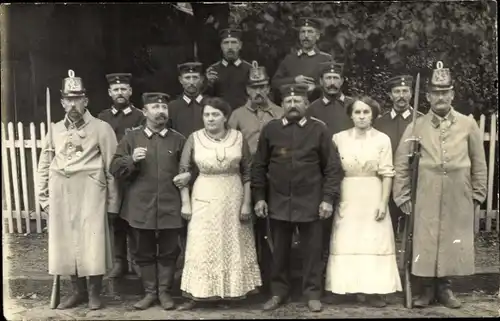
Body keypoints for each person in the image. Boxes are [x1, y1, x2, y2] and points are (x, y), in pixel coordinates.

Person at [393, 61, 487, 309]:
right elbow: (402, 162)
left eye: (445, 92)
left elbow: (479, 162)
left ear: (453, 94)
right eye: (436, 93)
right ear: (428, 96)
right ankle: (425, 290)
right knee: (426, 239)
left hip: (459, 192)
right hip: (426, 192)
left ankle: (445, 289)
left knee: (451, 241)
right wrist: (402, 196)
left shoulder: (468, 124)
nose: (441, 97)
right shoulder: (417, 125)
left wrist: (477, 194)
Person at [252, 84, 344, 312]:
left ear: (306, 104)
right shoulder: (271, 130)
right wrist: (260, 197)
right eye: (288, 102)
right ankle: (278, 292)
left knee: (312, 251)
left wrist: (327, 199)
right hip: (278, 201)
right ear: (282, 105)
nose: (293, 106)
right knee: (278, 251)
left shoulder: (319, 130)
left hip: (310, 201)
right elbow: (259, 166)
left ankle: (312, 293)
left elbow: (332, 168)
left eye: (298, 101)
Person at [37, 70, 120, 310]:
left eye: (78, 99)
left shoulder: (102, 128)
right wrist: (44, 198)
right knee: (66, 244)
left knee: (91, 243)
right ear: (62, 102)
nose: (73, 104)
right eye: (68, 99)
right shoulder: (54, 130)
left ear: (86, 101)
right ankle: (77, 292)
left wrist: (113, 203)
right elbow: (44, 165)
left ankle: (95, 293)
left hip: (91, 194)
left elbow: (111, 168)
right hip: (61, 194)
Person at [176, 97, 262, 310]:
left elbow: (247, 171)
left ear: (225, 117)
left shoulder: (238, 137)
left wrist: (246, 203)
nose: (210, 119)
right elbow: (183, 172)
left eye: (215, 114)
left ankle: (232, 292)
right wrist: (185, 203)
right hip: (204, 193)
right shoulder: (194, 138)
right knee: (203, 242)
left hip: (233, 193)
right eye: (206, 115)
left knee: (233, 240)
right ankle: (201, 293)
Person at [324, 96, 402, 307]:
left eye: (366, 112)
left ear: (373, 115)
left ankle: (374, 291)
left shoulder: (382, 139)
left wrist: (383, 203)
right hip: (347, 192)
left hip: (373, 192)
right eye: (357, 112)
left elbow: (387, 173)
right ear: (350, 115)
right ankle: (342, 289)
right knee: (346, 239)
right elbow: (332, 170)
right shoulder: (338, 138)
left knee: (372, 239)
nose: (361, 116)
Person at [110, 92, 186, 310]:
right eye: (155, 107)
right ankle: (149, 293)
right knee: (143, 251)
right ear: (144, 112)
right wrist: (131, 160)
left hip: (170, 206)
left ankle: (164, 293)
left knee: (169, 251)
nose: (160, 111)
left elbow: (190, 169)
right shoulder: (131, 138)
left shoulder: (178, 139)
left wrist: (187, 175)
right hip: (140, 207)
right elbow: (114, 168)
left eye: (164, 107)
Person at [228, 61, 283, 293]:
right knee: (251, 230)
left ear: (269, 88)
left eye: (262, 86)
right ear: (247, 90)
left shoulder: (280, 112)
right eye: (253, 87)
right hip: (248, 180)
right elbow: (230, 145)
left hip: (278, 178)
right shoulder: (237, 115)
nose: (258, 92)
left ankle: (276, 280)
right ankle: (253, 281)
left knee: (276, 230)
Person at [306, 61, 355, 275]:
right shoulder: (311, 108)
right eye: (328, 78)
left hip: (351, 175)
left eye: (336, 78)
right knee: (321, 230)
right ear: (320, 82)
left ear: (342, 81)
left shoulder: (354, 106)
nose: (332, 83)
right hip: (321, 176)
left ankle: (347, 277)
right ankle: (322, 278)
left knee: (347, 228)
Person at [98, 73, 145, 278]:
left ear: (130, 92)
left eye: (124, 89)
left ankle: (137, 260)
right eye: (116, 90)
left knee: (133, 217)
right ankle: (119, 261)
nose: (120, 93)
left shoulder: (140, 117)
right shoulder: (103, 118)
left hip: (134, 174)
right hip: (111, 175)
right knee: (115, 217)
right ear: (110, 93)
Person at [373, 75, 423, 237]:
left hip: (413, 184)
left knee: (414, 232)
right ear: (390, 95)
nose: (401, 95)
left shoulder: (421, 121)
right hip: (385, 183)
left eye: (405, 91)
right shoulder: (380, 122)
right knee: (386, 230)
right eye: (397, 91)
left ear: (411, 94)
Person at [271, 18, 332, 104]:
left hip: (316, 107)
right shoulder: (289, 59)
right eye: (303, 32)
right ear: (299, 36)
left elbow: (332, 85)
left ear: (317, 36)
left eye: (310, 32)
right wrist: (295, 80)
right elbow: (275, 83)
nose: (306, 36)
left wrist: (315, 88)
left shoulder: (325, 59)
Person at [205, 28, 253, 111]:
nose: (230, 47)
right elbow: (207, 98)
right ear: (221, 46)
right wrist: (208, 84)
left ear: (240, 45)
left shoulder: (249, 69)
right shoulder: (213, 70)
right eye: (226, 43)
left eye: (234, 43)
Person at [168, 62, 206, 138]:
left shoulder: (211, 104)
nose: (191, 82)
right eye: (187, 78)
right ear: (180, 80)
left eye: (195, 77)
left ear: (202, 79)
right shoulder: (172, 107)